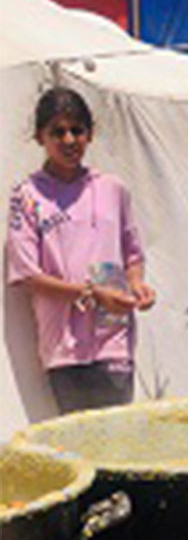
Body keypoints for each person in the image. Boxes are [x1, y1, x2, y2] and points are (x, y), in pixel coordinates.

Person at [5, 87, 156, 414]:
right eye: (57, 132)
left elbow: (132, 254)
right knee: (81, 443)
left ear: (90, 134)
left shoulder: (112, 189)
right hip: (63, 346)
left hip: (113, 340)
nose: (69, 140)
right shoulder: (27, 197)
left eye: (77, 130)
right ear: (39, 137)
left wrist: (138, 285)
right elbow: (28, 276)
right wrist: (90, 293)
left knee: (117, 438)